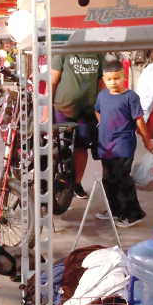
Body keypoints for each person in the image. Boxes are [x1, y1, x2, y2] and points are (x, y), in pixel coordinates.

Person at [94, 60, 153, 227]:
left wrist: (147, 140)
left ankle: (134, 213)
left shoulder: (131, 97)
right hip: (105, 145)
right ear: (104, 80)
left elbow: (139, 121)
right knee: (108, 178)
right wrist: (104, 124)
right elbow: (97, 110)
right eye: (109, 79)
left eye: (117, 78)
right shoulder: (102, 95)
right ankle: (114, 210)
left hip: (124, 144)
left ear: (124, 77)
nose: (113, 82)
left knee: (122, 178)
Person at [50, 52, 107, 199]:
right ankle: (56, 180)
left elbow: (102, 82)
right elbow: (52, 81)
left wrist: (101, 109)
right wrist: (46, 110)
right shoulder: (64, 51)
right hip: (63, 110)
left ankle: (77, 184)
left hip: (87, 112)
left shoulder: (98, 54)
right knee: (58, 144)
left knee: (81, 146)